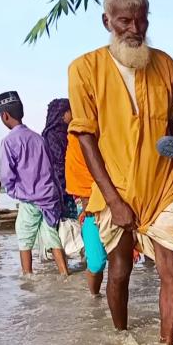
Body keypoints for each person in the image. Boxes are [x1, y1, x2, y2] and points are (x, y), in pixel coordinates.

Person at [68, 0, 173, 344]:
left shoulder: (165, 64)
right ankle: (122, 339)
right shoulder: (84, 69)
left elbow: (169, 124)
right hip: (115, 187)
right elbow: (85, 137)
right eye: (125, 21)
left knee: (172, 269)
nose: (135, 29)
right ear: (107, 21)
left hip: (161, 184)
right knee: (120, 270)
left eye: (142, 21)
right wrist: (114, 200)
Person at [0, 91, 69, 277]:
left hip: (29, 198)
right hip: (48, 196)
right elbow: (50, 168)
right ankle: (64, 273)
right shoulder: (38, 138)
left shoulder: (9, 141)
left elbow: (6, 176)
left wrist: (16, 192)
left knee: (25, 238)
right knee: (52, 236)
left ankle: (27, 276)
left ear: (5, 116)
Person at [65, 123, 108, 296]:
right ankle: (94, 297)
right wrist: (87, 202)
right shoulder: (76, 138)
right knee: (97, 263)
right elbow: (77, 176)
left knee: (121, 262)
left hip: (118, 200)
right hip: (89, 208)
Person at [42, 98, 78, 219]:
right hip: (62, 188)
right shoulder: (52, 135)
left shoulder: (69, 133)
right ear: (63, 114)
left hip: (72, 184)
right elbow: (59, 163)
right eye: (70, 111)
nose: (73, 114)